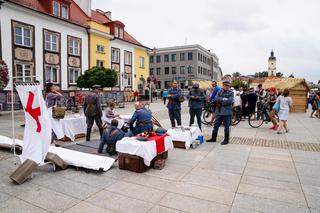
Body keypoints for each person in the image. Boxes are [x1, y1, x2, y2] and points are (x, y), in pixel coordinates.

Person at [207, 80, 234, 145]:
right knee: (216, 125)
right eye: (225, 85)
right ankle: (213, 138)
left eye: (228, 86)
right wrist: (224, 99)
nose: (227, 87)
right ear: (223, 85)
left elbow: (230, 101)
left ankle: (226, 140)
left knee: (226, 126)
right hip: (219, 111)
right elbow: (215, 98)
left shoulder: (231, 92)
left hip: (227, 112)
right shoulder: (219, 91)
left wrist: (221, 100)